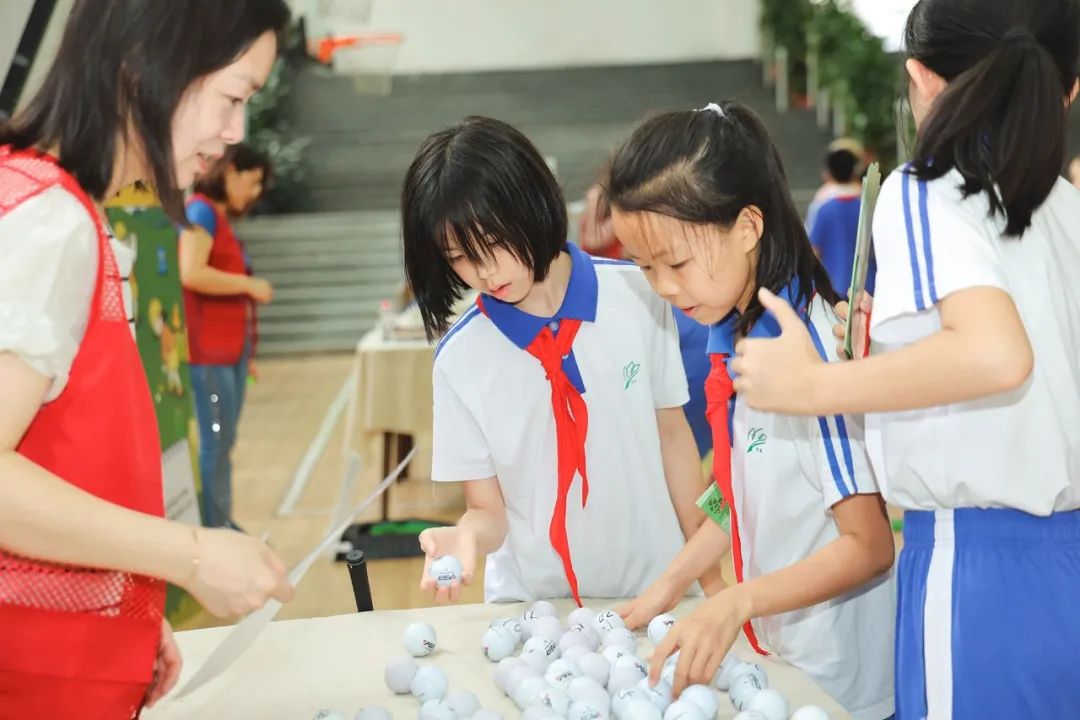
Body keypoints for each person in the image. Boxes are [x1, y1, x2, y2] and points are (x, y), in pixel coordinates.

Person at [730, 1, 1080, 717]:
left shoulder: (928, 187)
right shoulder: (1060, 207)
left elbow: (993, 354)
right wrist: (883, 359)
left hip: (980, 571)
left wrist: (815, 385)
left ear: (921, 80)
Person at [0, 1, 295, 715]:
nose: (234, 135)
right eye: (231, 98)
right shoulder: (50, 224)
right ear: (144, 69)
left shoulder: (43, 200)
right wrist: (189, 554)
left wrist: (122, 601)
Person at [607, 102, 895, 720]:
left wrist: (736, 602)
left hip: (844, 687)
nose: (662, 287)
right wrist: (672, 583)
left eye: (675, 263)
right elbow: (738, 491)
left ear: (746, 227)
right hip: (783, 665)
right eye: (643, 268)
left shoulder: (807, 352)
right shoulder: (736, 337)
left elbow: (868, 544)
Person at [401, 116, 724, 605]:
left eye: (491, 245)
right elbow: (487, 512)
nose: (484, 272)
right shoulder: (460, 360)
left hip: (659, 592)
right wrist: (465, 535)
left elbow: (674, 437)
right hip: (535, 610)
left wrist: (708, 577)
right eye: (459, 258)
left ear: (530, 202)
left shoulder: (638, 293)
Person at [180, 143, 274, 530]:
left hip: (230, 352)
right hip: (210, 354)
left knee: (224, 443)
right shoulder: (201, 210)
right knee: (216, 441)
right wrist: (248, 286)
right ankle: (215, 526)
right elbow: (192, 271)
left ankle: (221, 521)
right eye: (251, 183)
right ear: (230, 172)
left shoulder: (219, 219)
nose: (253, 194)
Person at [807, 145, 877, 298]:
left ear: (827, 173)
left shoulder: (822, 206)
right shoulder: (869, 205)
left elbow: (814, 251)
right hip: (868, 288)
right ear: (855, 171)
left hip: (833, 287)